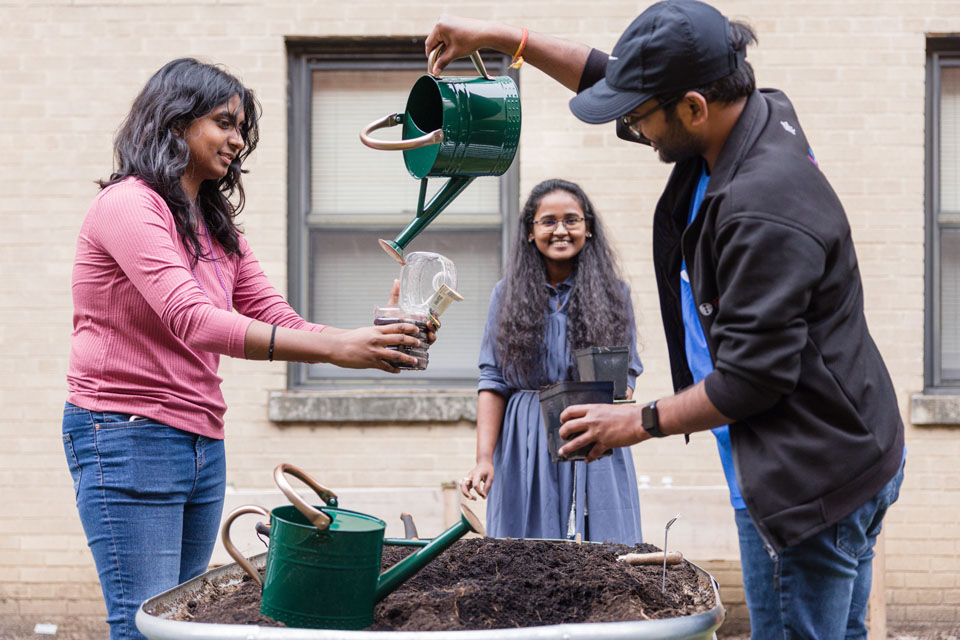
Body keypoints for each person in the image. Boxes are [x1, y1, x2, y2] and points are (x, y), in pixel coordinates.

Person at [428, 2, 905, 639]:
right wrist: (505, 38)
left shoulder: (760, 206)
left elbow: (754, 380)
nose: (632, 127)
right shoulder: (746, 118)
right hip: (849, 441)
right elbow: (607, 74)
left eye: (640, 116)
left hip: (812, 477)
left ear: (692, 108)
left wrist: (638, 420)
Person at [62, 58, 427, 640]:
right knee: (142, 623)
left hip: (201, 438)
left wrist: (372, 337)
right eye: (224, 123)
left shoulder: (212, 223)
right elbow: (194, 320)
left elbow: (276, 316)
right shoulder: (130, 204)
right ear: (175, 122)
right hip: (128, 434)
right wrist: (336, 351)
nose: (238, 140)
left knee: (179, 623)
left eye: (241, 128)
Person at [459, 178, 643, 544]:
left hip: (593, 434)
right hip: (524, 440)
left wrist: (617, 385)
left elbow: (627, 380)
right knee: (525, 558)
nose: (561, 230)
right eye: (548, 221)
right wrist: (484, 458)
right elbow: (493, 381)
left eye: (572, 220)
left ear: (587, 228)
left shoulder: (614, 294)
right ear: (531, 232)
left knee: (603, 553)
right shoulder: (506, 294)